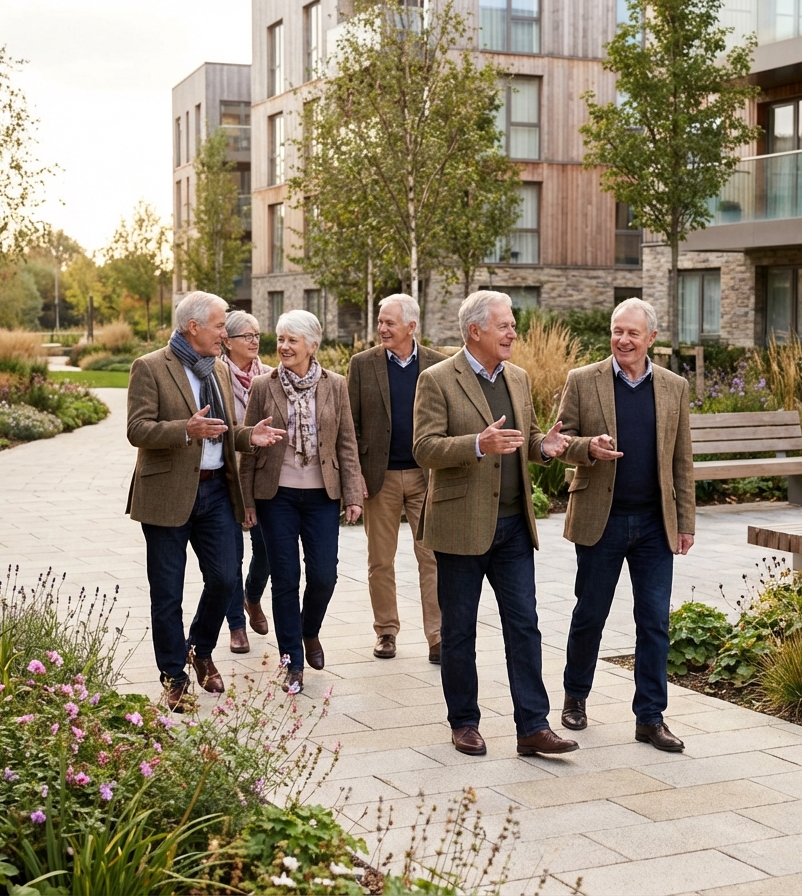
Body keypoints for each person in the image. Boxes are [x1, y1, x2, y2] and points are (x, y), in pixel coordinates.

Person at [412, 289, 578, 758]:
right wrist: (477, 445)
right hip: (460, 526)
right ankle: (464, 721)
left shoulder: (519, 378)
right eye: (504, 325)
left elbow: (519, 442)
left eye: (512, 324)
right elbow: (424, 448)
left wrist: (540, 447)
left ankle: (532, 726)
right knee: (460, 631)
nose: (512, 332)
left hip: (513, 528)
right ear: (475, 330)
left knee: (524, 625)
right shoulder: (437, 379)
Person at [126, 291, 285, 711]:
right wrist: (185, 430)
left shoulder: (214, 367)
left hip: (217, 491)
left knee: (225, 579)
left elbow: (223, 429)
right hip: (167, 494)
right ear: (193, 326)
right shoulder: (149, 367)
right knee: (167, 593)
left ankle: (198, 648)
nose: (224, 333)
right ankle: (174, 676)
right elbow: (138, 429)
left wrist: (248, 436)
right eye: (219, 326)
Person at [555, 297, 696, 752]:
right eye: (617, 331)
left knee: (654, 621)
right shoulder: (582, 380)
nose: (623, 340)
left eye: (633, 333)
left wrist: (685, 522)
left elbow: (682, 460)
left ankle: (650, 717)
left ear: (651, 338)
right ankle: (575, 697)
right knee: (590, 614)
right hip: (603, 518)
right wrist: (586, 448)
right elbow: (559, 440)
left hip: (656, 523)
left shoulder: (674, 387)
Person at [240, 310, 363, 694]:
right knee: (285, 579)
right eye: (280, 339)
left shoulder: (335, 385)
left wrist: (353, 493)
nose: (283, 347)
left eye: (292, 340)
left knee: (325, 574)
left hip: (321, 494)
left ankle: (310, 632)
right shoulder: (264, 385)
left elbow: (346, 441)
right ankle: (292, 660)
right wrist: (247, 500)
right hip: (275, 494)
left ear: (312, 345)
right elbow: (248, 441)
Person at [347, 294, 448, 663]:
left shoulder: (439, 364)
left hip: (427, 478)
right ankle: (386, 632)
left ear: (411, 326)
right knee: (380, 560)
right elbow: (351, 424)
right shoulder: (362, 365)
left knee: (433, 558)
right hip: (380, 477)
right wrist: (354, 473)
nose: (382, 328)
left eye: (389, 322)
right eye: (380, 321)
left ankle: (437, 637)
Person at [221, 310, 273, 654]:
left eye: (257, 335)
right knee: (229, 556)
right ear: (227, 341)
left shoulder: (270, 376)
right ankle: (236, 627)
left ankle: (252, 598)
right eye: (246, 336)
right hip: (227, 477)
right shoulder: (216, 376)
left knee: (268, 549)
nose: (254, 341)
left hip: (261, 475)